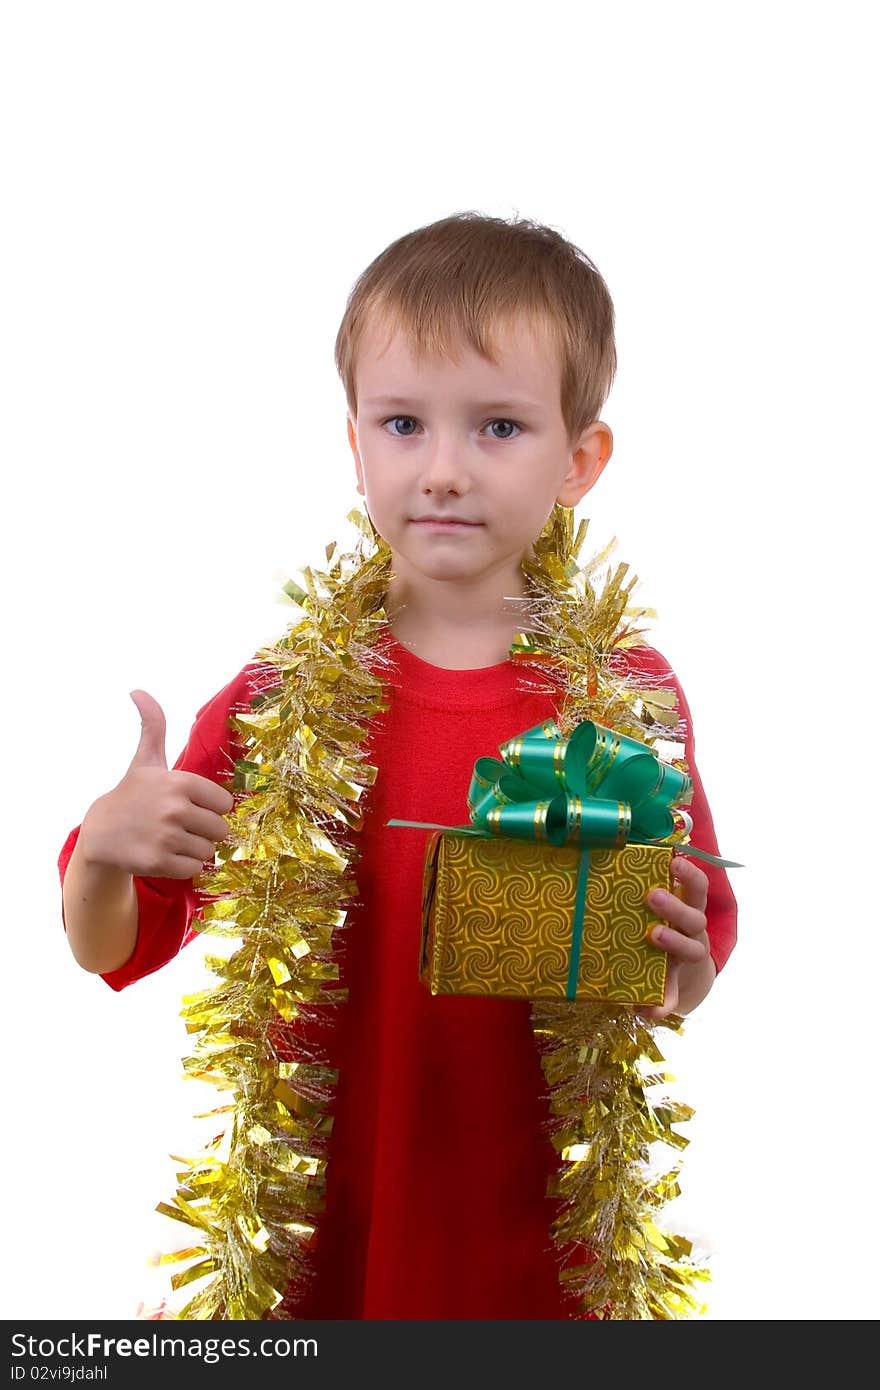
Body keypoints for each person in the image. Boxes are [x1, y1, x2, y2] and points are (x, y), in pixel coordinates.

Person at [58, 210, 737, 1320]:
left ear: (580, 461)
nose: (444, 471)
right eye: (405, 423)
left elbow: (674, 958)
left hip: (537, 1225)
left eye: (500, 427)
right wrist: (102, 853)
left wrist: (680, 974)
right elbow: (113, 946)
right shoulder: (283, 701)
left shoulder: (623, 695)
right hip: (326, 1221)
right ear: (355, 443)